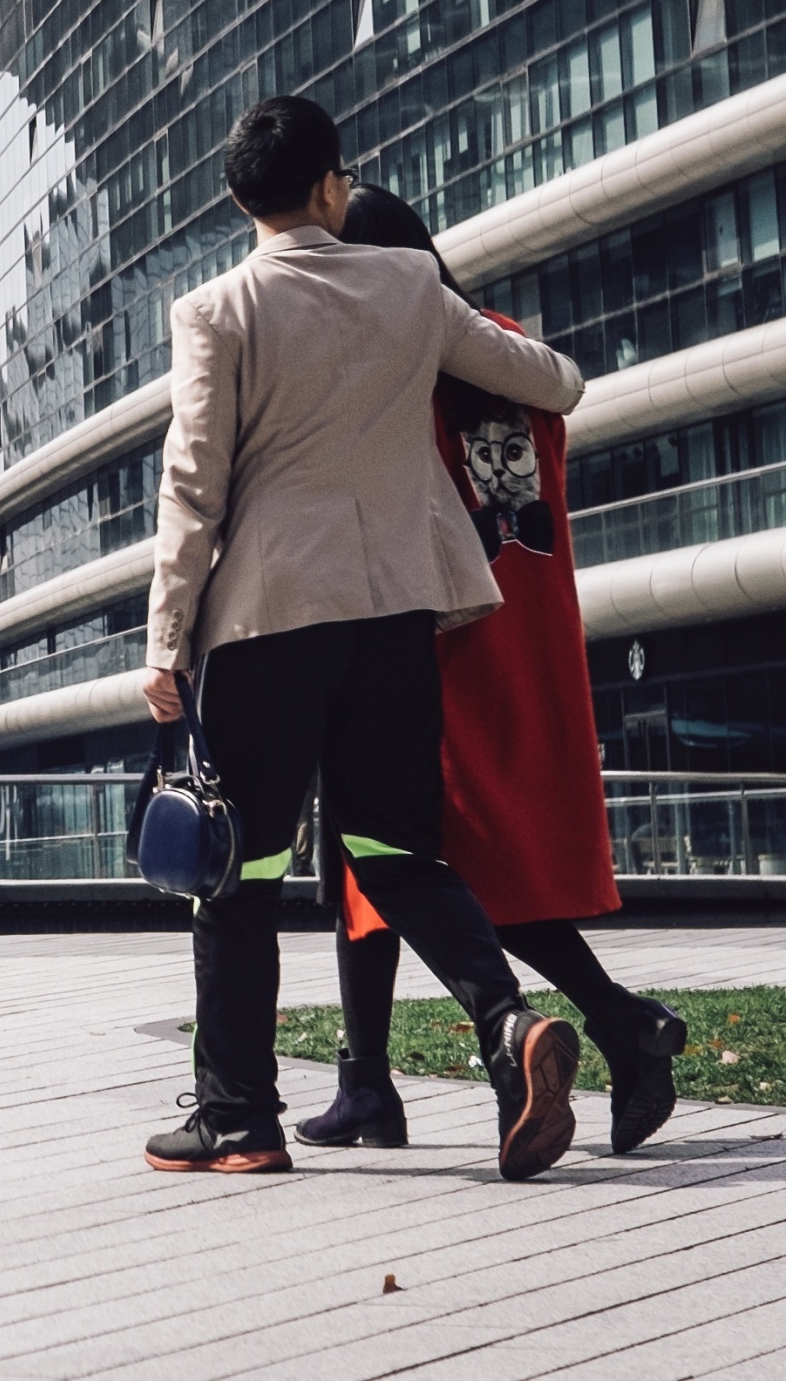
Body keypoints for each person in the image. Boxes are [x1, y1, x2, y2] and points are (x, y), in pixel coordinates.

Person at [139, 94, 588, 1182]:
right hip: (394, 618)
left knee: (239, 874)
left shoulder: (217, 311)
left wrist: (165, 642)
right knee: (397, 854)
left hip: (266, 622)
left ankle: (238, 1117)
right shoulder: (410, 285)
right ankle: (508, 1028)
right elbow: (555, 381)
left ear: (240, 199)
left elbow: (192, 487)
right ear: (333, 184)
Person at [297, 186, 685, 1160]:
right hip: (530, 627)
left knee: (416, 856)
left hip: (436, 637)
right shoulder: (501, 347)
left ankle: (614, 1020)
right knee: (394, 858)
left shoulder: (404, 362)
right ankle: (368, 1084)